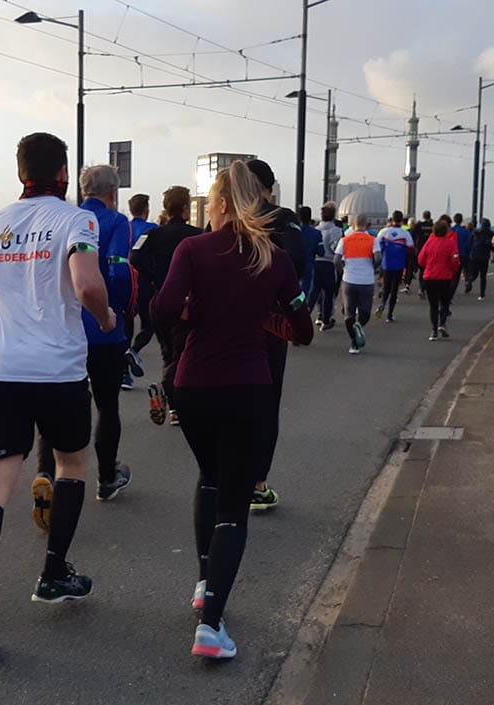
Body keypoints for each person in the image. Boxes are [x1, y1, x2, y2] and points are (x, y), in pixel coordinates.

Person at [0, 132, 116, 653]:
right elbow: (86, 285)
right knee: (70, 467)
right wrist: (107, 317)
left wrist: (15, 283)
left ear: (20, 172)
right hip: (59, 372)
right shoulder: (75, 220)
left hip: (1, 372)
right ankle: (52, 572)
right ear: (62, 172)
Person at [150, 160, 313, 660]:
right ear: (258, 200)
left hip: (193, 385)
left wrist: (199, 312)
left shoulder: (192, 249)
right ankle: (211, 626)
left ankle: (204, 582)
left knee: (210, 476)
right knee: (234, 506)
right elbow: (302, 327)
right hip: (248, 385)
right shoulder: (275, 257)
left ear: (218, 203)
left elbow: (160, 308)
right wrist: (266, 315)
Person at [32, 164, 134, 524]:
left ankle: (45, 472)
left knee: (55, 405)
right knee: (107, 405)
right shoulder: (116, 222)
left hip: (63, 327)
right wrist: (116, 309)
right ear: (112, 192)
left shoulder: (65, 219)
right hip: (102, 329)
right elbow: (119, 267)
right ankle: (106, 477)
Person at [245, 159, 305, 511]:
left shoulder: (225, 217)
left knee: (231, 395)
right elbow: (297, 260)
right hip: (268, 322)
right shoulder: (282, 218)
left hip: (225, 321)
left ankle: (224, 476)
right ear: (269, 187)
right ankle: (257, 483)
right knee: (266, 401)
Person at [132, 185, 202, 426]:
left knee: (168, 352)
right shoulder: (197, 235)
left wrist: (153, 276)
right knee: (184, 355)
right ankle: (169, 394)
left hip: (159, 298)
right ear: (185, 208)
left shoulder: (153, 235)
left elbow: (134, 257)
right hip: (186, 302)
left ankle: (174, 407)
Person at [122, 193, 159, 390]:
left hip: (125, 278)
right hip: (144, 281)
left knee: (126, 324)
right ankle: (134, 350)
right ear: (146, 209)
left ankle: (124, 375)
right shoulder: (152, 230)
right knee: (149, 325)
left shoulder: (125, 227)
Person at [335, 213, 382, 354]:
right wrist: (373, 267)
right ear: (366, 224)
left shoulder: (345, 240)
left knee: (349, 313)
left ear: (353, 225)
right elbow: (379, 257)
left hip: (349, 280)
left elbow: (336, 260)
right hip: (366, 280)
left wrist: (342, 271)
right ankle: (359, 326)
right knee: (365, 312)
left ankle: (353, 343)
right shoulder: (373, 240)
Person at [418, 220, 461, 340]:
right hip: (445, 277)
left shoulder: (429, 243)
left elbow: (421, 259)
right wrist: (454, 269)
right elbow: (455, 259)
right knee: (445, 302)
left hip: (430, 276)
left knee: (433, 305)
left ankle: (433, 331)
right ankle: (442, 323)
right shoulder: (451, 243)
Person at [375, 210, 413, 322]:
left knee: (386, 287)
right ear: (401, 221)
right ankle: (390, 314)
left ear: (392, 219)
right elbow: (411, 249)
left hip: (386, 264)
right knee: (394, 289)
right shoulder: (405, 234)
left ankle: (382, 304)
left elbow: (377, 246)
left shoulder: (384, 232)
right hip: (399, 265)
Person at [309, 201, 342, 330]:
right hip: (329, 263)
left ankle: (308, 314)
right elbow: (336, 249)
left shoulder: (316, 230)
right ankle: (326, 320)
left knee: (314, 292)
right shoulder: (336, 231)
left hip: (315, 262)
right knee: (329, 293)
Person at [297, 206, 323, 299]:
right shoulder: (316, 233)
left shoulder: (295, 232)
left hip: (295, 265)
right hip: (309, 265)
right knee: (305, 293)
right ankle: (302, 308)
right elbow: (321, 252)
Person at [467, 218, 494, 300]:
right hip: (484, 256)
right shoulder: (490, 234)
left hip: (474, 255)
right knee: (483, 276)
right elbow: (492, 245)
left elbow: (471, 243)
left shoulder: (476, 232)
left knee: (474, 273)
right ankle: (482, 294)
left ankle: (469, 281)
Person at [452, 213, 473, 293]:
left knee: (454, 274)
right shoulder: (466, 231)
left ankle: (451, 291)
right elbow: (469, 244)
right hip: (463, 253)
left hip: (454, 254)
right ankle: (468, 281)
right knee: (466, 269)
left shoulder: (451, 231)